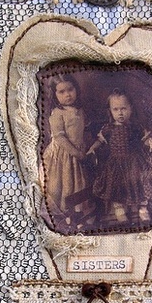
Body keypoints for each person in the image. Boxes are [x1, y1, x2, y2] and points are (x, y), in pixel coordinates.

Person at [87, 88, 152, 226]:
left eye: (123, 108)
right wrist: (92, 148)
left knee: (140, 183)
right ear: (110, 111)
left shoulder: (135, 127)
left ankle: (143, 208)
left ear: (131, 109)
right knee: (116, 186)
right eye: (116, 109)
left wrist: (150, 142)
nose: (120, 113)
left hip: (134, 161)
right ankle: (119, 210)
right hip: (116, 163)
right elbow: (100, 141)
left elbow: (145, 139)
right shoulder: (108, 128)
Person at [41, 74, 92, 230]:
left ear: (76, 89)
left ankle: (78, 214)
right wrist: (76, 153)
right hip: (62, 155)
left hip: (78, 152)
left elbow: (81, 131)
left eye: (70, 89)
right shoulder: (57, 113)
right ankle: (68, 215)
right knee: (64, 185)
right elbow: (60, 138)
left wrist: (84, 147)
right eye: (61, 92)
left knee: (78, 185)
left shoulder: (79, 110)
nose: (67, 94)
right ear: (55, 94)